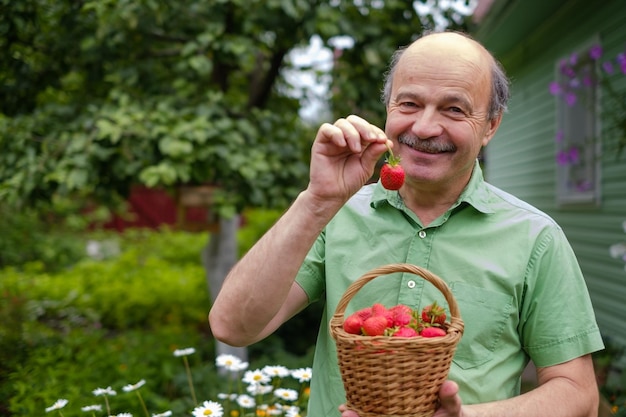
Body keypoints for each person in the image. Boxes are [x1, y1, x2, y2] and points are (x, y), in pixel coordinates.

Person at [209, 30, 604, 417]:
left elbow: (577, 392)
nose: (424, 128)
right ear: (388, 109)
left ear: (491, 126)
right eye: (409, 104)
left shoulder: (536, 238)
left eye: (454, 109)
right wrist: (316, 201)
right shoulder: (335, 214)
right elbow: (233, 326)